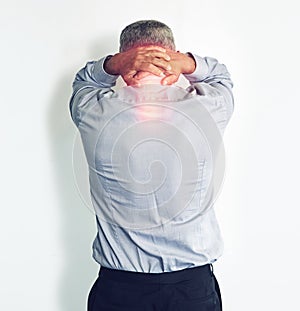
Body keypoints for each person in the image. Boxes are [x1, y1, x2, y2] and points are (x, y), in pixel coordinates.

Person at [69, 20, 234, 311]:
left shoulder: (93, 111)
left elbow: (86, 80)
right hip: (191, 290)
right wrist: (188, 63)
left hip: (119, 290)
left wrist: (112, 65)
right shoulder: (209, 108)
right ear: (174, 57)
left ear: (124, 60)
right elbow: (219, 76)